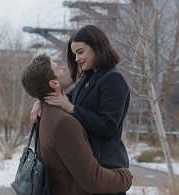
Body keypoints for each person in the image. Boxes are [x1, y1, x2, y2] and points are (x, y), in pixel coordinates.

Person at [31, 25, 130, 194]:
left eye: (80, 52)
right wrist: (40, 101)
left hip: (107, 168)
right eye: (74, 54)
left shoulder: (113, 79)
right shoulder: (89, 76)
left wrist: (72, 109)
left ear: (97, 47)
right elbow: (67, 98)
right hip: (90, 168)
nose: (76, 58)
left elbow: (108, 126)